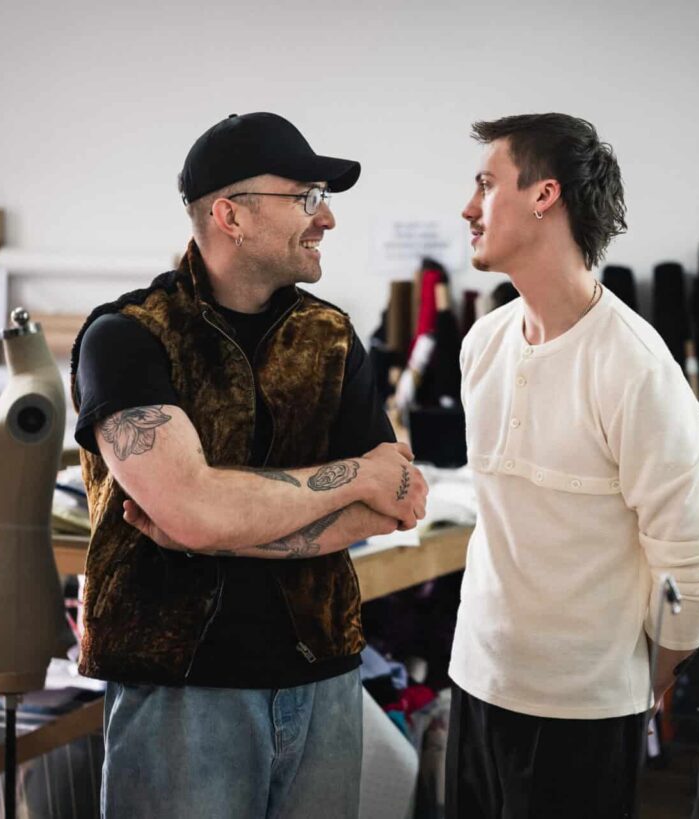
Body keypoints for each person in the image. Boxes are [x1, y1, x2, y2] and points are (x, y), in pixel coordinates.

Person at [69, 111, 428, 819]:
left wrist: (209, 521)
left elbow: (397, 502)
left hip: (323, 678)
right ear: (230, 214)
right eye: (305, 197)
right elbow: (193, 509)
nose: (324, 218)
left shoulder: (331, 338)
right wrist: (352, 475)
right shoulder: (129, 338)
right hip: (182, 690)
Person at [446, 113, 699, 817]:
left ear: (544, 195)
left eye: (486, 184)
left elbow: (693, 572)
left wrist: (636, 678)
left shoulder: (635, 369)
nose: (468, 207)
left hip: (582, 714)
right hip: (477, 681)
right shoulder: (482, 344)